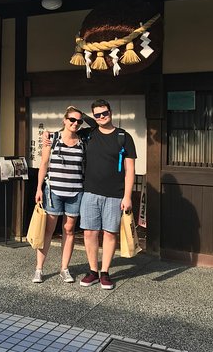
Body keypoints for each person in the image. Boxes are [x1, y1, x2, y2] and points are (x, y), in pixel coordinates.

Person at [78, 99, 136, 290]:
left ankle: (105, 272)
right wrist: (47, 137)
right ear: (93, 116)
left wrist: (127, 196)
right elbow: (68, 133)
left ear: (111, 113)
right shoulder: (88, 134)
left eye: (105, 113)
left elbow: (130, 169)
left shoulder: (123, 136)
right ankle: (93, 271)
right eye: (98, 115)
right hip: (90, 191)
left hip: (114, 193)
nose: (102, 117)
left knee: (110, 233)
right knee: (89, 232)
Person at [32, 106, 86, 284]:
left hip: (75, 192)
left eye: (79, 121)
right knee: (48, 230)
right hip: (53, 191)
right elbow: (44, 164)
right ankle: (39, 269)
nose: (75, 123)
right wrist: (39, 188)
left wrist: (81, 116)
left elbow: (96, 125)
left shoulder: (82, 141)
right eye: (72, 119)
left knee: (69, 230)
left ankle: (64, 268)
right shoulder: (53, 138)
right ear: (64, 120)